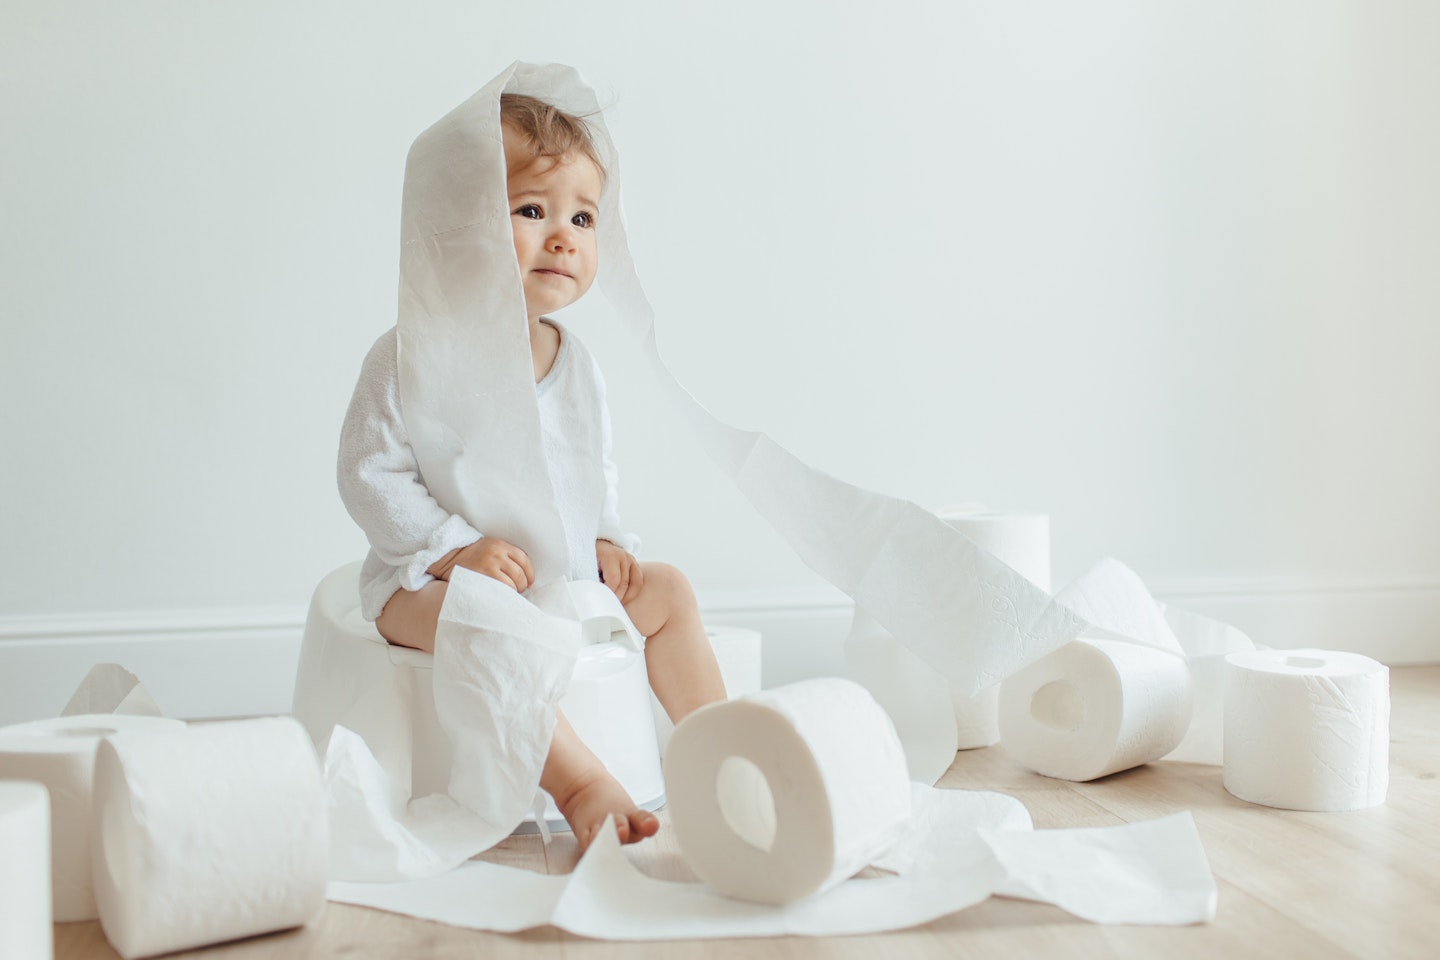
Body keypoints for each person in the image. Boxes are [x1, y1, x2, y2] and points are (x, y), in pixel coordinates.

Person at [337, 92, 726, 851]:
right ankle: (580, 781)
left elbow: (593, 471)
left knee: (670, 591)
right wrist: (453, 547)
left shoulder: (575, 366)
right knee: (488, 624)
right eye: (530, 210)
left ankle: (723, 746)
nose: (564, 238)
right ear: (457, 223)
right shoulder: (411, 356)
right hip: (425, 582)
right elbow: (368, 475)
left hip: (561, 578)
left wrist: (609, 538)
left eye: (582, 218)